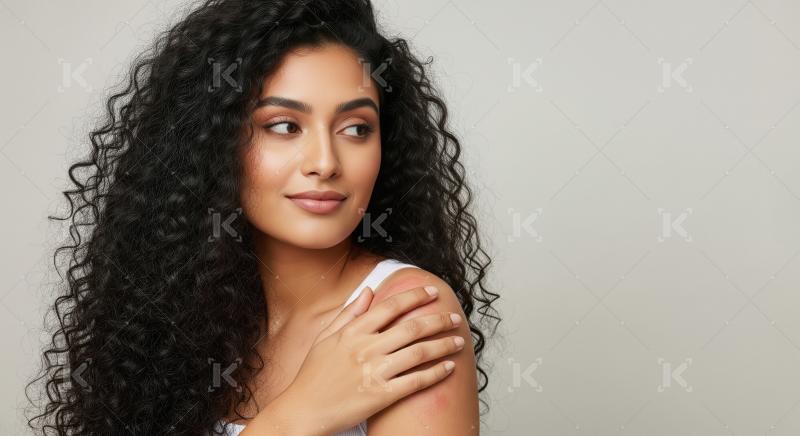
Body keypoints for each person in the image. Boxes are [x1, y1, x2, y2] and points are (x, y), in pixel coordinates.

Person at [26, 1, 500, 435]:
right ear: (212, 144)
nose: (324, 162)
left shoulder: (406, 318)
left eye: (356, 128)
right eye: (284, 126)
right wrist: (300, 413)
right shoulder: (189, 313)